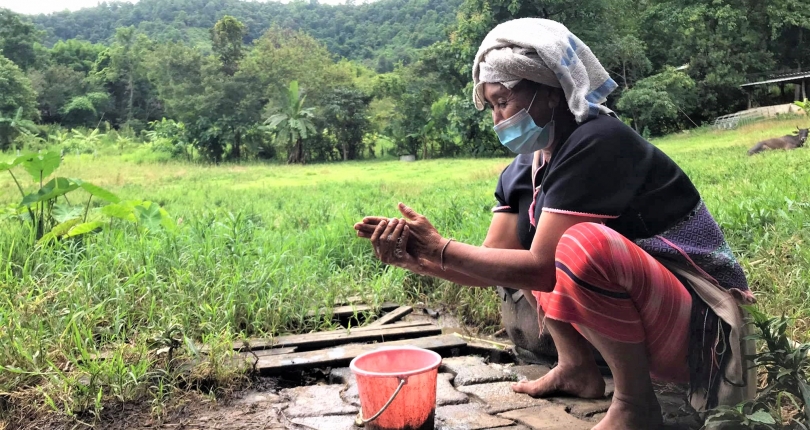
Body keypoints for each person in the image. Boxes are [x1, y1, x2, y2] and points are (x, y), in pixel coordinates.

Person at [355, 18, 756, 430]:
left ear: (549, 90)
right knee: (518, 256)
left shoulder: (600, 140)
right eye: (491, 107)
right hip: (655, 319)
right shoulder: (522, 168)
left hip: (706, 327)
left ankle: (636, 405)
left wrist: (439, 246)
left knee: (581, 245)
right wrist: (416, 257)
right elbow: (491, 263)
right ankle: (576, 367)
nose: (496, 119)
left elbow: (544, 268)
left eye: (504, 101)